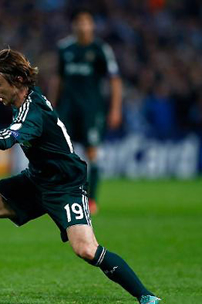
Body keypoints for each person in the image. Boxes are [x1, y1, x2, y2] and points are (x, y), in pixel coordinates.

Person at [0, 48, 160, 304]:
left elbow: (7, 139)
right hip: (37, 179)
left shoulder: (33, 112)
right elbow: (8, 99)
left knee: (86, 249)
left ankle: (144, 294)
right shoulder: (22, 94)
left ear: (16, 81)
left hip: (66, 185)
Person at [49, 9, 123, 215]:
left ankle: (91, 200)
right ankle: (66, 196)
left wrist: (115, 109)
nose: (82, 26)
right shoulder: (65, 48)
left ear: (92, 25)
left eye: (86, 22)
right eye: (79, 22)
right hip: (67, 110)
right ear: (74, 25)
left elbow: (115, 80)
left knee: (92, 152)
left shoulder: (100, 49)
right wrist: (51, 107)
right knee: (64, 152)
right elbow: (58, 79)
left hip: (92, 110)